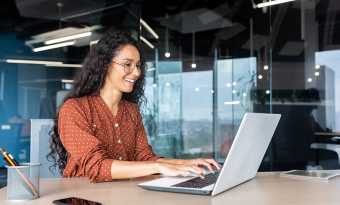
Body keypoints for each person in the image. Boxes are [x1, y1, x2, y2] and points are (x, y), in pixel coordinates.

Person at [47, 32, 221, 183]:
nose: (136, 72)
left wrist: (185, 164)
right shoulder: (75, 109)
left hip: (122, 193)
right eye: (127, 64)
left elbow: (144, 158)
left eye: (137, 65)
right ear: (106, 64)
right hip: (82, 197)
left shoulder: (131, 110)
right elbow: (96, 166)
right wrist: (160, 166)